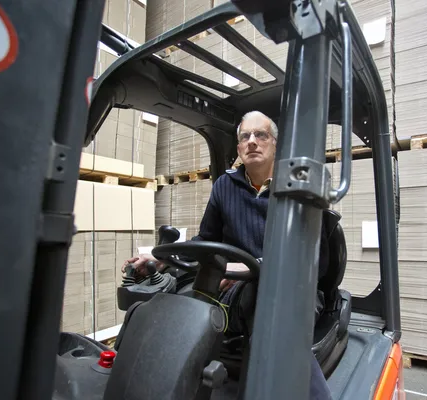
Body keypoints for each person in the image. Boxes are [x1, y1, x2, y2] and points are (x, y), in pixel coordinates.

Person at [123, 111, 332, 399]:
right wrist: (160, 259)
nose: (252, 142)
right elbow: (206, 239)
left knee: (268, 308)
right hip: (233, 290)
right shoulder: (225, 186)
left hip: (294, 293)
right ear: (238, 149)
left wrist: (249, 269)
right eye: (245, 136)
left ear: (275, 144)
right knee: (163, 309)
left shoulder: (298, 190)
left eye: (261, 135)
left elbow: (312, 259)